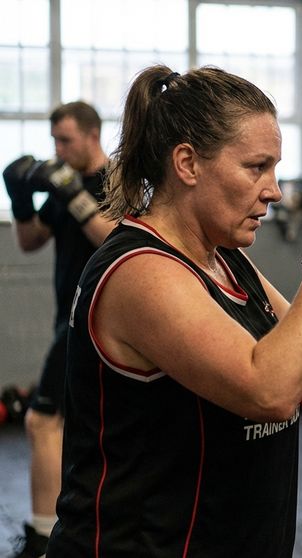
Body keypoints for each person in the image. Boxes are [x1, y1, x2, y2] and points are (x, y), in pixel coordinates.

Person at [44, 66, 302, 557]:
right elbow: (270, 390)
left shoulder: (226, 259)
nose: (273, 189)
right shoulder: (140, 271)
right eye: (256, 167)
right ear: (187, 163)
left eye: (275, 168)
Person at [2, 101, 118, 558]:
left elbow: (116, 239)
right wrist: (18, 199)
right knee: (78, 428)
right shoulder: (62, 184)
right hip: (66, 317)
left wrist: (74, 195)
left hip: (97, 318)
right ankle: (82, 531)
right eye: (54, 140)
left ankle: (44, 538)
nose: (58, 149)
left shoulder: (118, 182)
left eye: (65, 140)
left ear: (92, 136)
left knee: (41, 419)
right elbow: (30, 242)